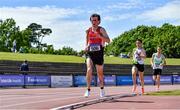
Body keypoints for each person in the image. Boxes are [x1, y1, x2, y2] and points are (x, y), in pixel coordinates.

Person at [84, 13, 110, 97]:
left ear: (99, 21)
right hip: (90, 53)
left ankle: (102, 89)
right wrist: (86, 47)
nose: (93, 22)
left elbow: (108, 41)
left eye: (95, 20)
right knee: (89, 69)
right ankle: (88, 90)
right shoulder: (88, 30)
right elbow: (87, 42)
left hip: (99, 53)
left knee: (100, 73)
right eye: (92, 20)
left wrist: (100, 36)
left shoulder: (101, 29)